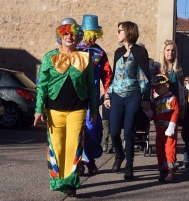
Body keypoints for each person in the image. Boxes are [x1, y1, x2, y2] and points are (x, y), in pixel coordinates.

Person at [34, 18, 97, 196]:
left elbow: (91, 87)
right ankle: (58, 179)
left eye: (73, 34)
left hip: (78, 108)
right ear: (60, 36)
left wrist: (93, 109)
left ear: (78, 36)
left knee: (73, 146)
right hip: (54, 110)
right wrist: (39, 109)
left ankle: (70, 182)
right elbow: (42, 86)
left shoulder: (85, 57)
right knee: (57, 147)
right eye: (66, 33)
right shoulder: (50, 57)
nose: (69, 37)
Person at [106, 21, 151, 180]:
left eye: (120, 31)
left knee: (129, 133)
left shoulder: (140, 52)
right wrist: (107, 94)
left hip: (133, 96)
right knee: (114, 131)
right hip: (117, 95)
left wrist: (146, 98)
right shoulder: (118, 52)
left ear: (129, 32)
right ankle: (120, 155)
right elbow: (114, 78)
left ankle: (129, 167)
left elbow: (144, 76)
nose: (117, 33)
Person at [76, 14, 113, 176]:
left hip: (91, 100)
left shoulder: (99, 52)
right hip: (75, 98)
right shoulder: (73, 49)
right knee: (76, 130)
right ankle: (78, 163)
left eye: (93, 37)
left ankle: (89, 160)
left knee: (93, 130)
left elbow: (107, 75)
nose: (91, 40)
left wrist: (107, 94)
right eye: (88, 36)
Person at [145, 74, 179, 182]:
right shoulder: (156, 100)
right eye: (155, 88)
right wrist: (147, 111)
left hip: (169, 128)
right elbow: (154, 114)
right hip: (159, 129)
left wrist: (172, 126)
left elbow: (175, 113)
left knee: (169, 149)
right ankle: (162, 170)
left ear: (167, 85)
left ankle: (170, 171)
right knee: (159, 149)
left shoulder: (172, 98)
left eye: (159, 87)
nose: (157, 90)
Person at [149, 39, 185, 119]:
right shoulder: (155, 67)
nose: (170, 53)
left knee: (172, 128)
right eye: (168, 50)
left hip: (174, 104)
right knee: (161, 128)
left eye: (173, 50)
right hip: (160, 104)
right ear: (163, 51)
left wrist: (182, 104)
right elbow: (151, 86)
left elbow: (181, 87)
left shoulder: (178, 68)